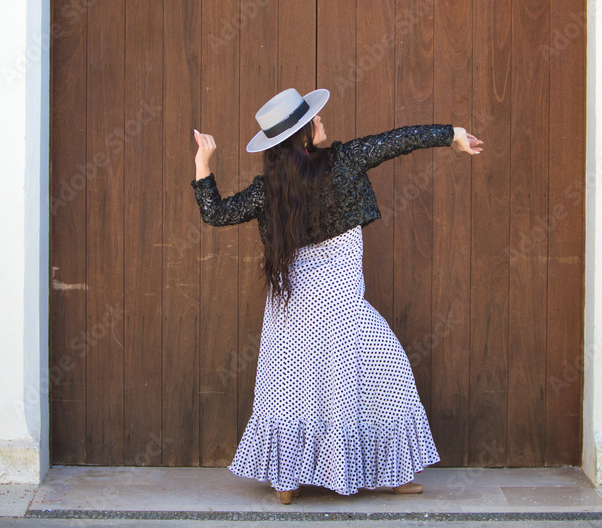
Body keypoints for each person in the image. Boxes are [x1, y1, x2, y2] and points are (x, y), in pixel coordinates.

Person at [190, 87, 483, 504]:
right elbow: (399, 139)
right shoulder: (346, 160)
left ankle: (287, 481)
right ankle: (391, 473)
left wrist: (204, 162)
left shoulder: (269, 188)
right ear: (304, 136)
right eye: (316, 119)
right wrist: (452, 133)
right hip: (341, 306)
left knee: (291, 387)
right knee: (387, 379)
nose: (323, 121)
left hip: (290, 312)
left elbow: (215, 212)